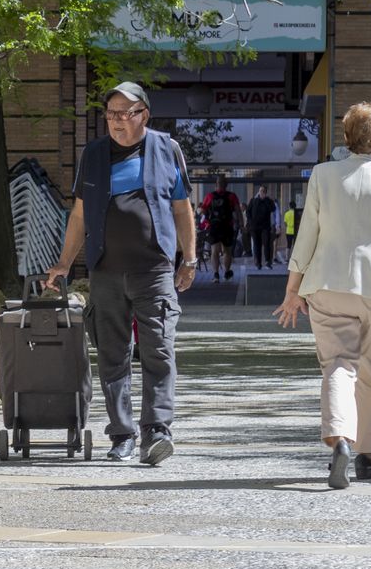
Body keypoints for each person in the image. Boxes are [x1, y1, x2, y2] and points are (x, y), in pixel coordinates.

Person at [274, 103, 371, 488]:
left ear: (347, 136)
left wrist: (293, 289)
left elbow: (307, 233)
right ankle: (366, 455)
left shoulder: (323, 176)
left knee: (338, 365)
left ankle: (339, 438)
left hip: (328, 282)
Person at [45, 81, 196, 465]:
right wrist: (64, 262)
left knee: (159, 350)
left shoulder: (167, 150)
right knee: (113, 354)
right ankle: (123, 434)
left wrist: (189, 258)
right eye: (111, 114)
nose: (117, 121)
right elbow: (79, 214)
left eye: (126, 114)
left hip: (155, 270)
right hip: (106, 272)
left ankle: (157, 431)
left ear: (144, 114)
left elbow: (181, 209)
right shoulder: (93, 154)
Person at [200, 174, 241, 281]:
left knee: (214, 251)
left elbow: (203, 210)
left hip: (214, 227)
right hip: (227, 226)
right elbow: (237, 211)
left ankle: (215, 274)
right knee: (227, 251)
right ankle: (227, 271)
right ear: (226, 185)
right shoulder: (232, 196)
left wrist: (206, 221)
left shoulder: (210, 196)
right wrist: (241, 224)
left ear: (216, 184)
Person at [247, 184, 278, 269]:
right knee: (257, 244)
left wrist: (266, 200)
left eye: (264, 191)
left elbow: (273, 209)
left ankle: (268, 261)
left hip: (265, 226)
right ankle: (258, 263)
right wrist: (250, 222)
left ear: (266, 192)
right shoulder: (253, 201)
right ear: (258, 192)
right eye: (261, 191)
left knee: (267, 243)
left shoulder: (268, 201)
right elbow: (248, 212)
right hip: (255, 227)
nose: (262, 192)